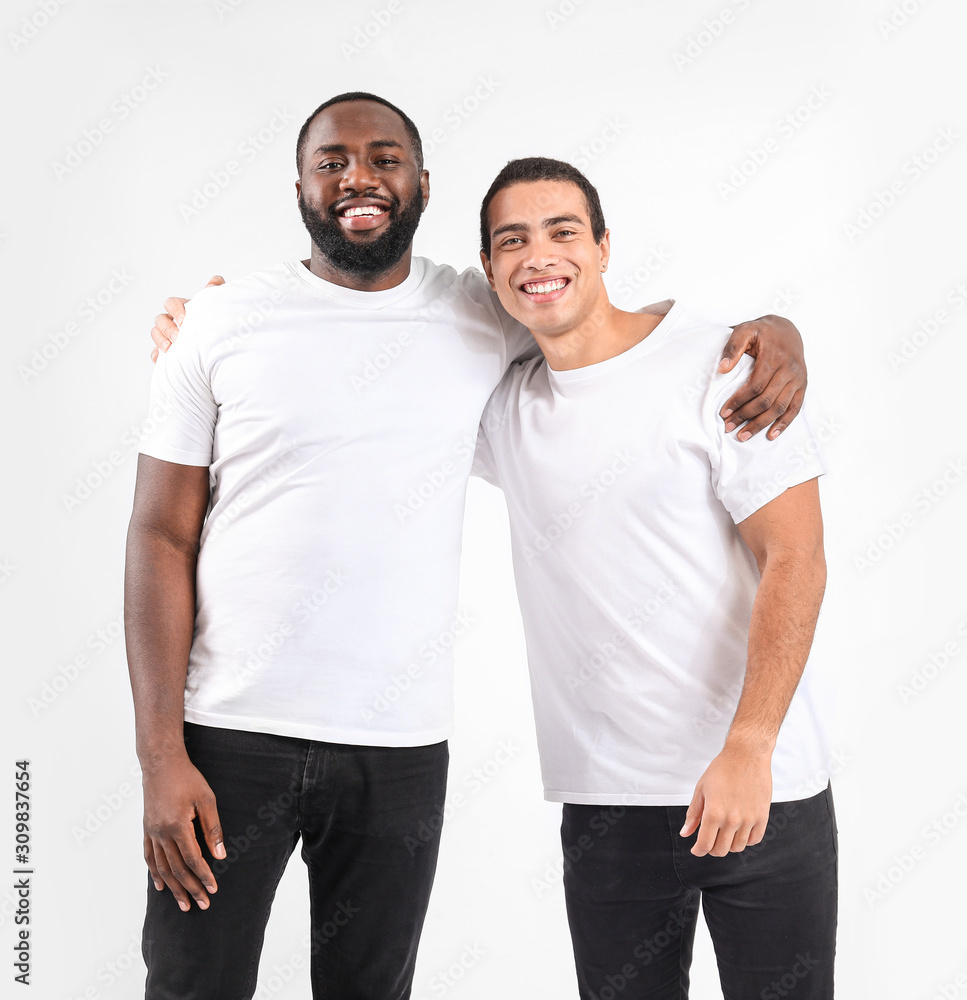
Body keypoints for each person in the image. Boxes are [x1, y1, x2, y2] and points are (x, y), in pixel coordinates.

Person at [127, 92, 810, 1000]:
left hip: (399, 748)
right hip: (228, 736)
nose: (359, 178)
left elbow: (611, 340)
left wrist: (774, 332)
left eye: (384, 158)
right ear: (298, 183)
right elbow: (158, 531)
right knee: (189, 986)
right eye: (332, 161)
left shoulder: (479, 312)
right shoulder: (220, 321)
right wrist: (160, 756)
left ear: (420, 184)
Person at [472, 156, 835, 999]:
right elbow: (382, 338)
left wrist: (749, 746)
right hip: (606, 810)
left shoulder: (724, 367)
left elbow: (796, 559)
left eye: (562, 231)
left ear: (602, 246)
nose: (538, 256)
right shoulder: (502, 406)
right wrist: (219, 318)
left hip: (761, 790)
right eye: (511, 240)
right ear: (489, 270)